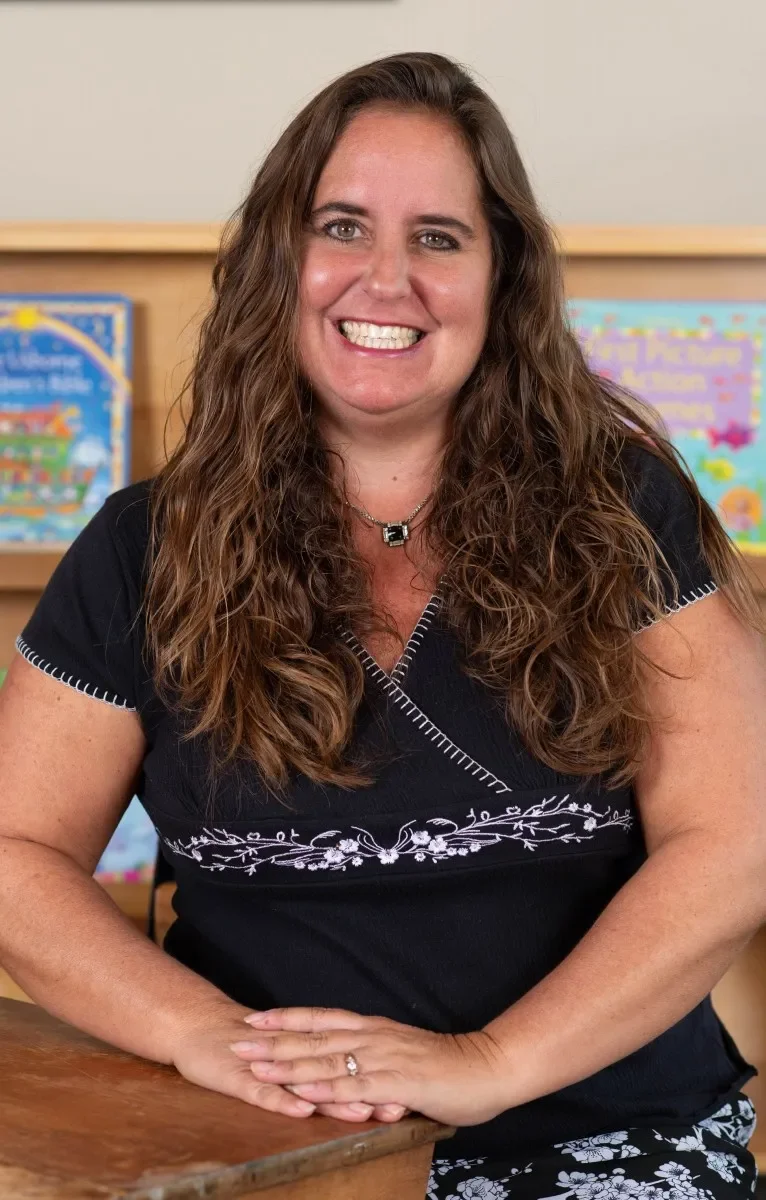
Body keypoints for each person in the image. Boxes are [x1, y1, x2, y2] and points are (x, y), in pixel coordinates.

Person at [1, 51, 765, 1200]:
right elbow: (16, 858)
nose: (387, 278)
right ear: (279, 260)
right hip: (269, 1149)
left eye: (439, 238)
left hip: (610, 1143)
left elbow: (736, 841)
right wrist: (200, 1033)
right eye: (343, 226)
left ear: (500, 278)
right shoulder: (139, 549)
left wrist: (490, 1064)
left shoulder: (621, 508)